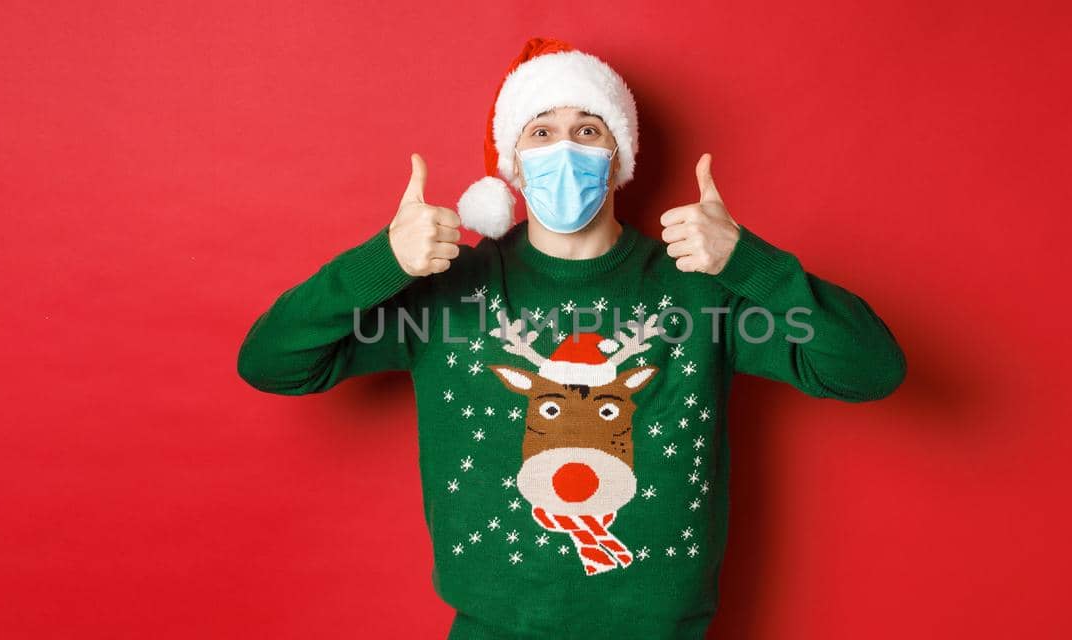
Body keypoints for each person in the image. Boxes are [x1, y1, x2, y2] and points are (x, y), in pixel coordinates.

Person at [236, 36, 906, 639]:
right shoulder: (446, 292)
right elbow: (272, 362)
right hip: (494, 629)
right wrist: (381, 262)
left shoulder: (701, 290)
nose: (565, 150)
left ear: (619, 156)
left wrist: (749, 264)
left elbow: (870, 369)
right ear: (511, 164)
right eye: (541, 131)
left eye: (588, 130)